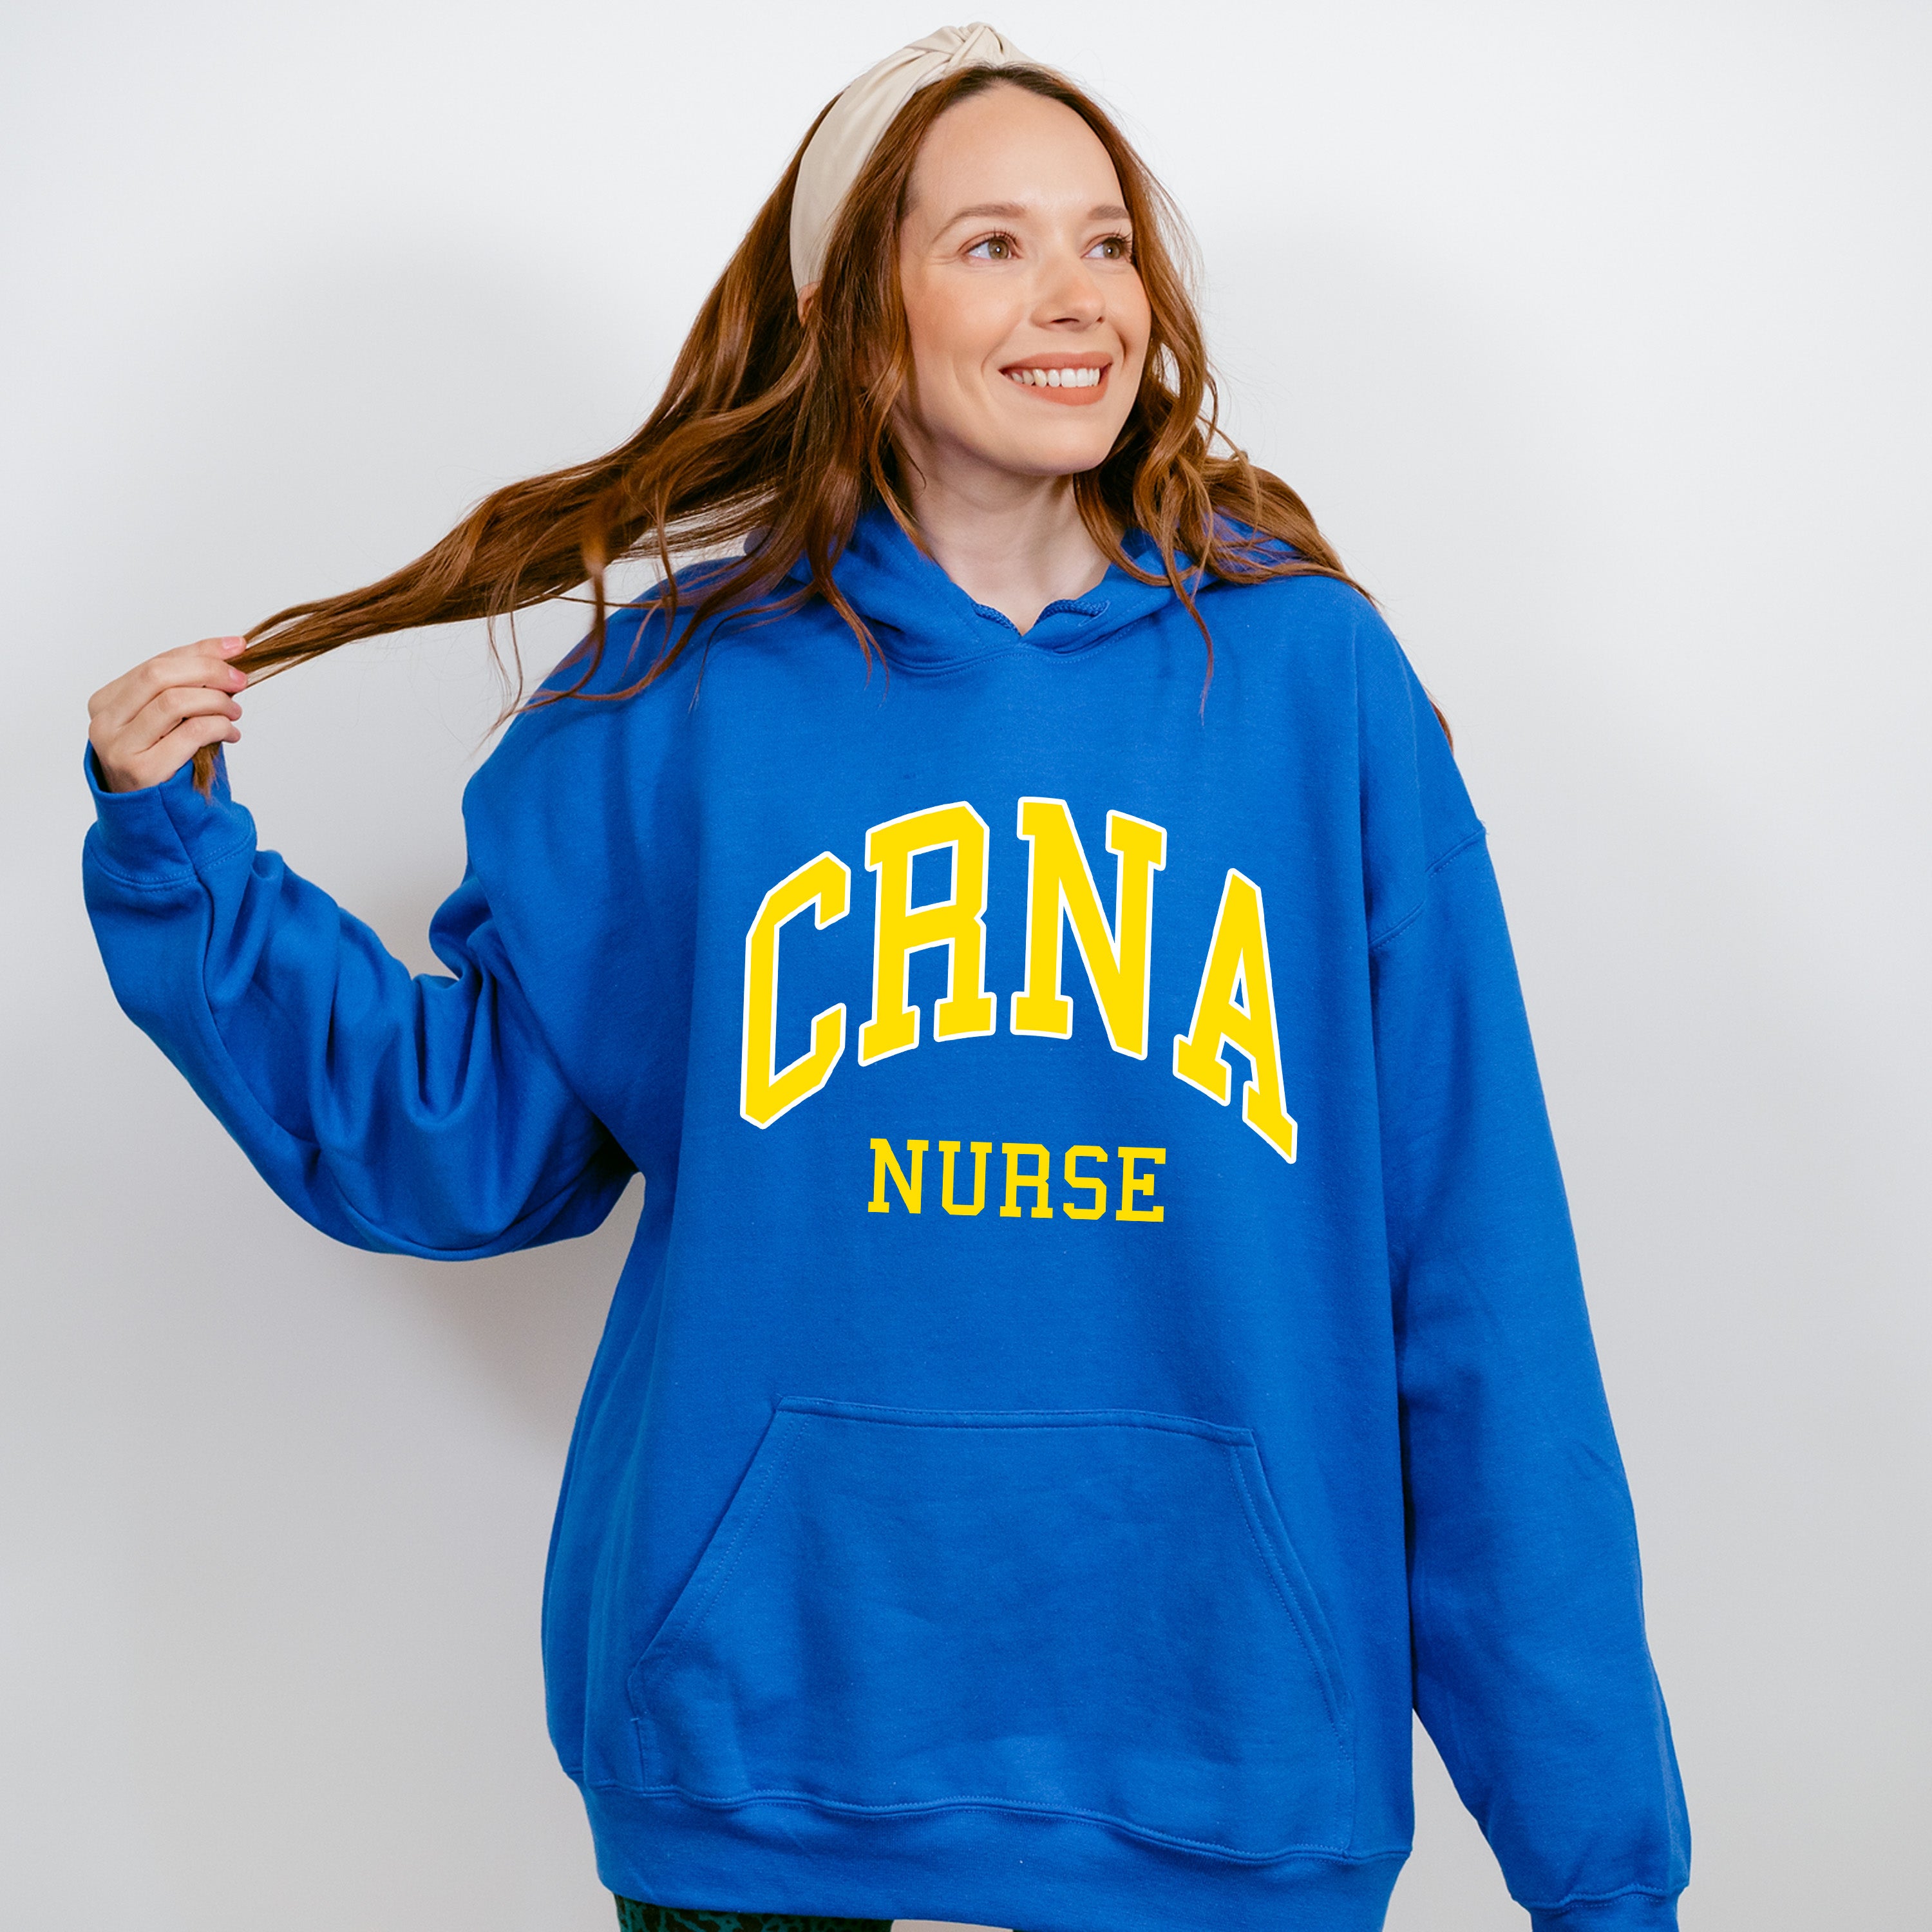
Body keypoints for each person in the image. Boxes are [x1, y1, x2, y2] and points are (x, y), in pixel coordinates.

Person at [80, 23, 1690, 1932]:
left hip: (1217, 1741)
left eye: (1107, 242)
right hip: (760, 1733)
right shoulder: (677, 699)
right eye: (994, 244)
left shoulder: (1308, 683)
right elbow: (464, 1146)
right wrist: (185, 866)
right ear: (860, 316)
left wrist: (1600, 1867)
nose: (1079, 296)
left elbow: (1477, 1275)